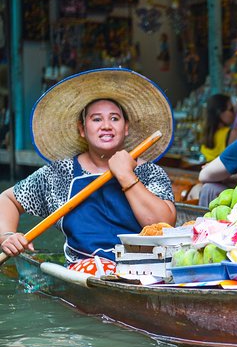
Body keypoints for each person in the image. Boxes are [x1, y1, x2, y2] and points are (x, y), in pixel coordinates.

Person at [0, 68, 176, 268]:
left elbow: (165, 227)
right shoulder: (59, 174)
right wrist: (7, 235)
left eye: (115, 118)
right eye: (96, 119)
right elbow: (7, 200)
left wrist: (126, 176)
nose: (106, 125)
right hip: (84, 270)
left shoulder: (149, 172)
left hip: (143, 270)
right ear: (82, 129)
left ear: (126, 127)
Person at [200, 93, 235, 162]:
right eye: (231, 109)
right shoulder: (232, 133)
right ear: (219, 113)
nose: (234, 112)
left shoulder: (206, 135)